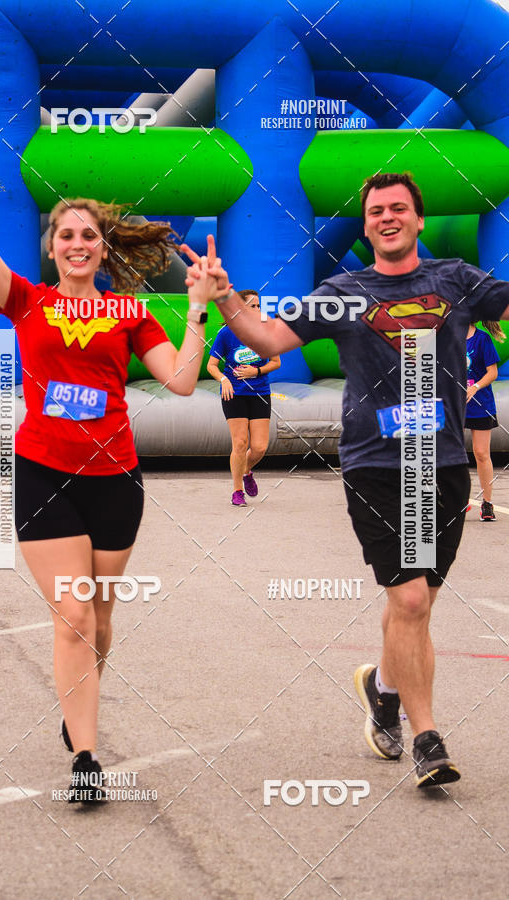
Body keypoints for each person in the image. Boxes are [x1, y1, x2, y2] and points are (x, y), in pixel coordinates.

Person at [0, 112, 226, 803]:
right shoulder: (26, 301)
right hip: (43, 473)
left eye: (89, 235)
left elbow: (178, 381)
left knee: (101, 621)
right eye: (66, 235)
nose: (78, 243)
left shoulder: (130, 315)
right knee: (75, 616)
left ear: (102, 249)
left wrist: (198, 309)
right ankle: (86, 758)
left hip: (117, 481)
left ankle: (74, 710)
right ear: (52, 250)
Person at [182, 172, 509, 788]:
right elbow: (266, 336)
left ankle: (382, 689)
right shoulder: (343, 292)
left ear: (417, 219)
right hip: (377, 464)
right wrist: (223, 295)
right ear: (366, 225)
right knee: (410, 599)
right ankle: (429, 739)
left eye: (399, 209)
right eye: (376, 211)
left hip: (440, 463)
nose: (387, 217)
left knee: (414, 605)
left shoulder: (458, 279)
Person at [207, 289, 280, 506]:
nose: (257, 310)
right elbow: (211, 366)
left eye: (259, 306)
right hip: (234, 393)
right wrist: (224, 380)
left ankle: (247, 470)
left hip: (260, 392)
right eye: (252, 306)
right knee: (240, 443)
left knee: (259, 447)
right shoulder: (227, 334)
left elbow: (276, 362)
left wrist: (255, 372)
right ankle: (237, 490)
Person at [465, 321, 503, 521]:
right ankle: (457, 500)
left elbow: (493, 372)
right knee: (450, 453)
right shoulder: (445, 336)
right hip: (452, 405)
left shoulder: (482, 338)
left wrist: (475, 387)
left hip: (480, 404)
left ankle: (487, 504)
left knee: (481, 453)